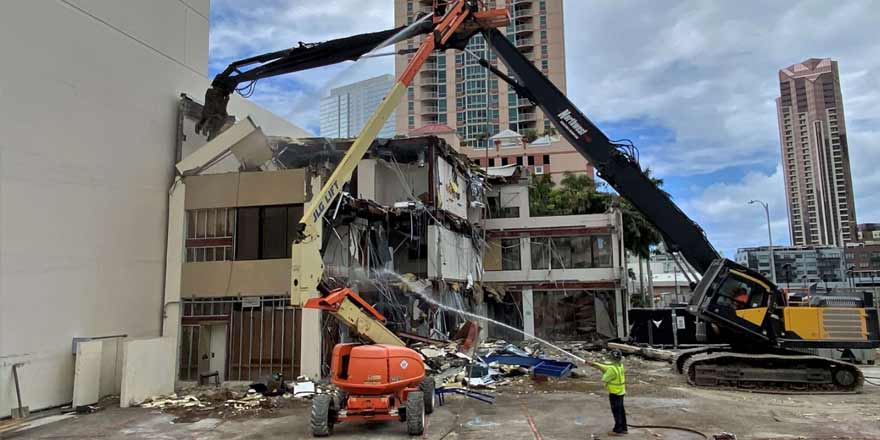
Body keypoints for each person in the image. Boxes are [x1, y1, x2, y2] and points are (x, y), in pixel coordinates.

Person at [588, 349, 627, 435]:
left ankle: (617, 430)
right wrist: (595, 364)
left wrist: (600, 369)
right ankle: (624, 428)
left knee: (616, 411)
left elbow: (605, 378)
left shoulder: (611, 369)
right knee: (621, 410)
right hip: (621, 391)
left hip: (614, 393)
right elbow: (606, 367)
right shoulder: (620, 365)